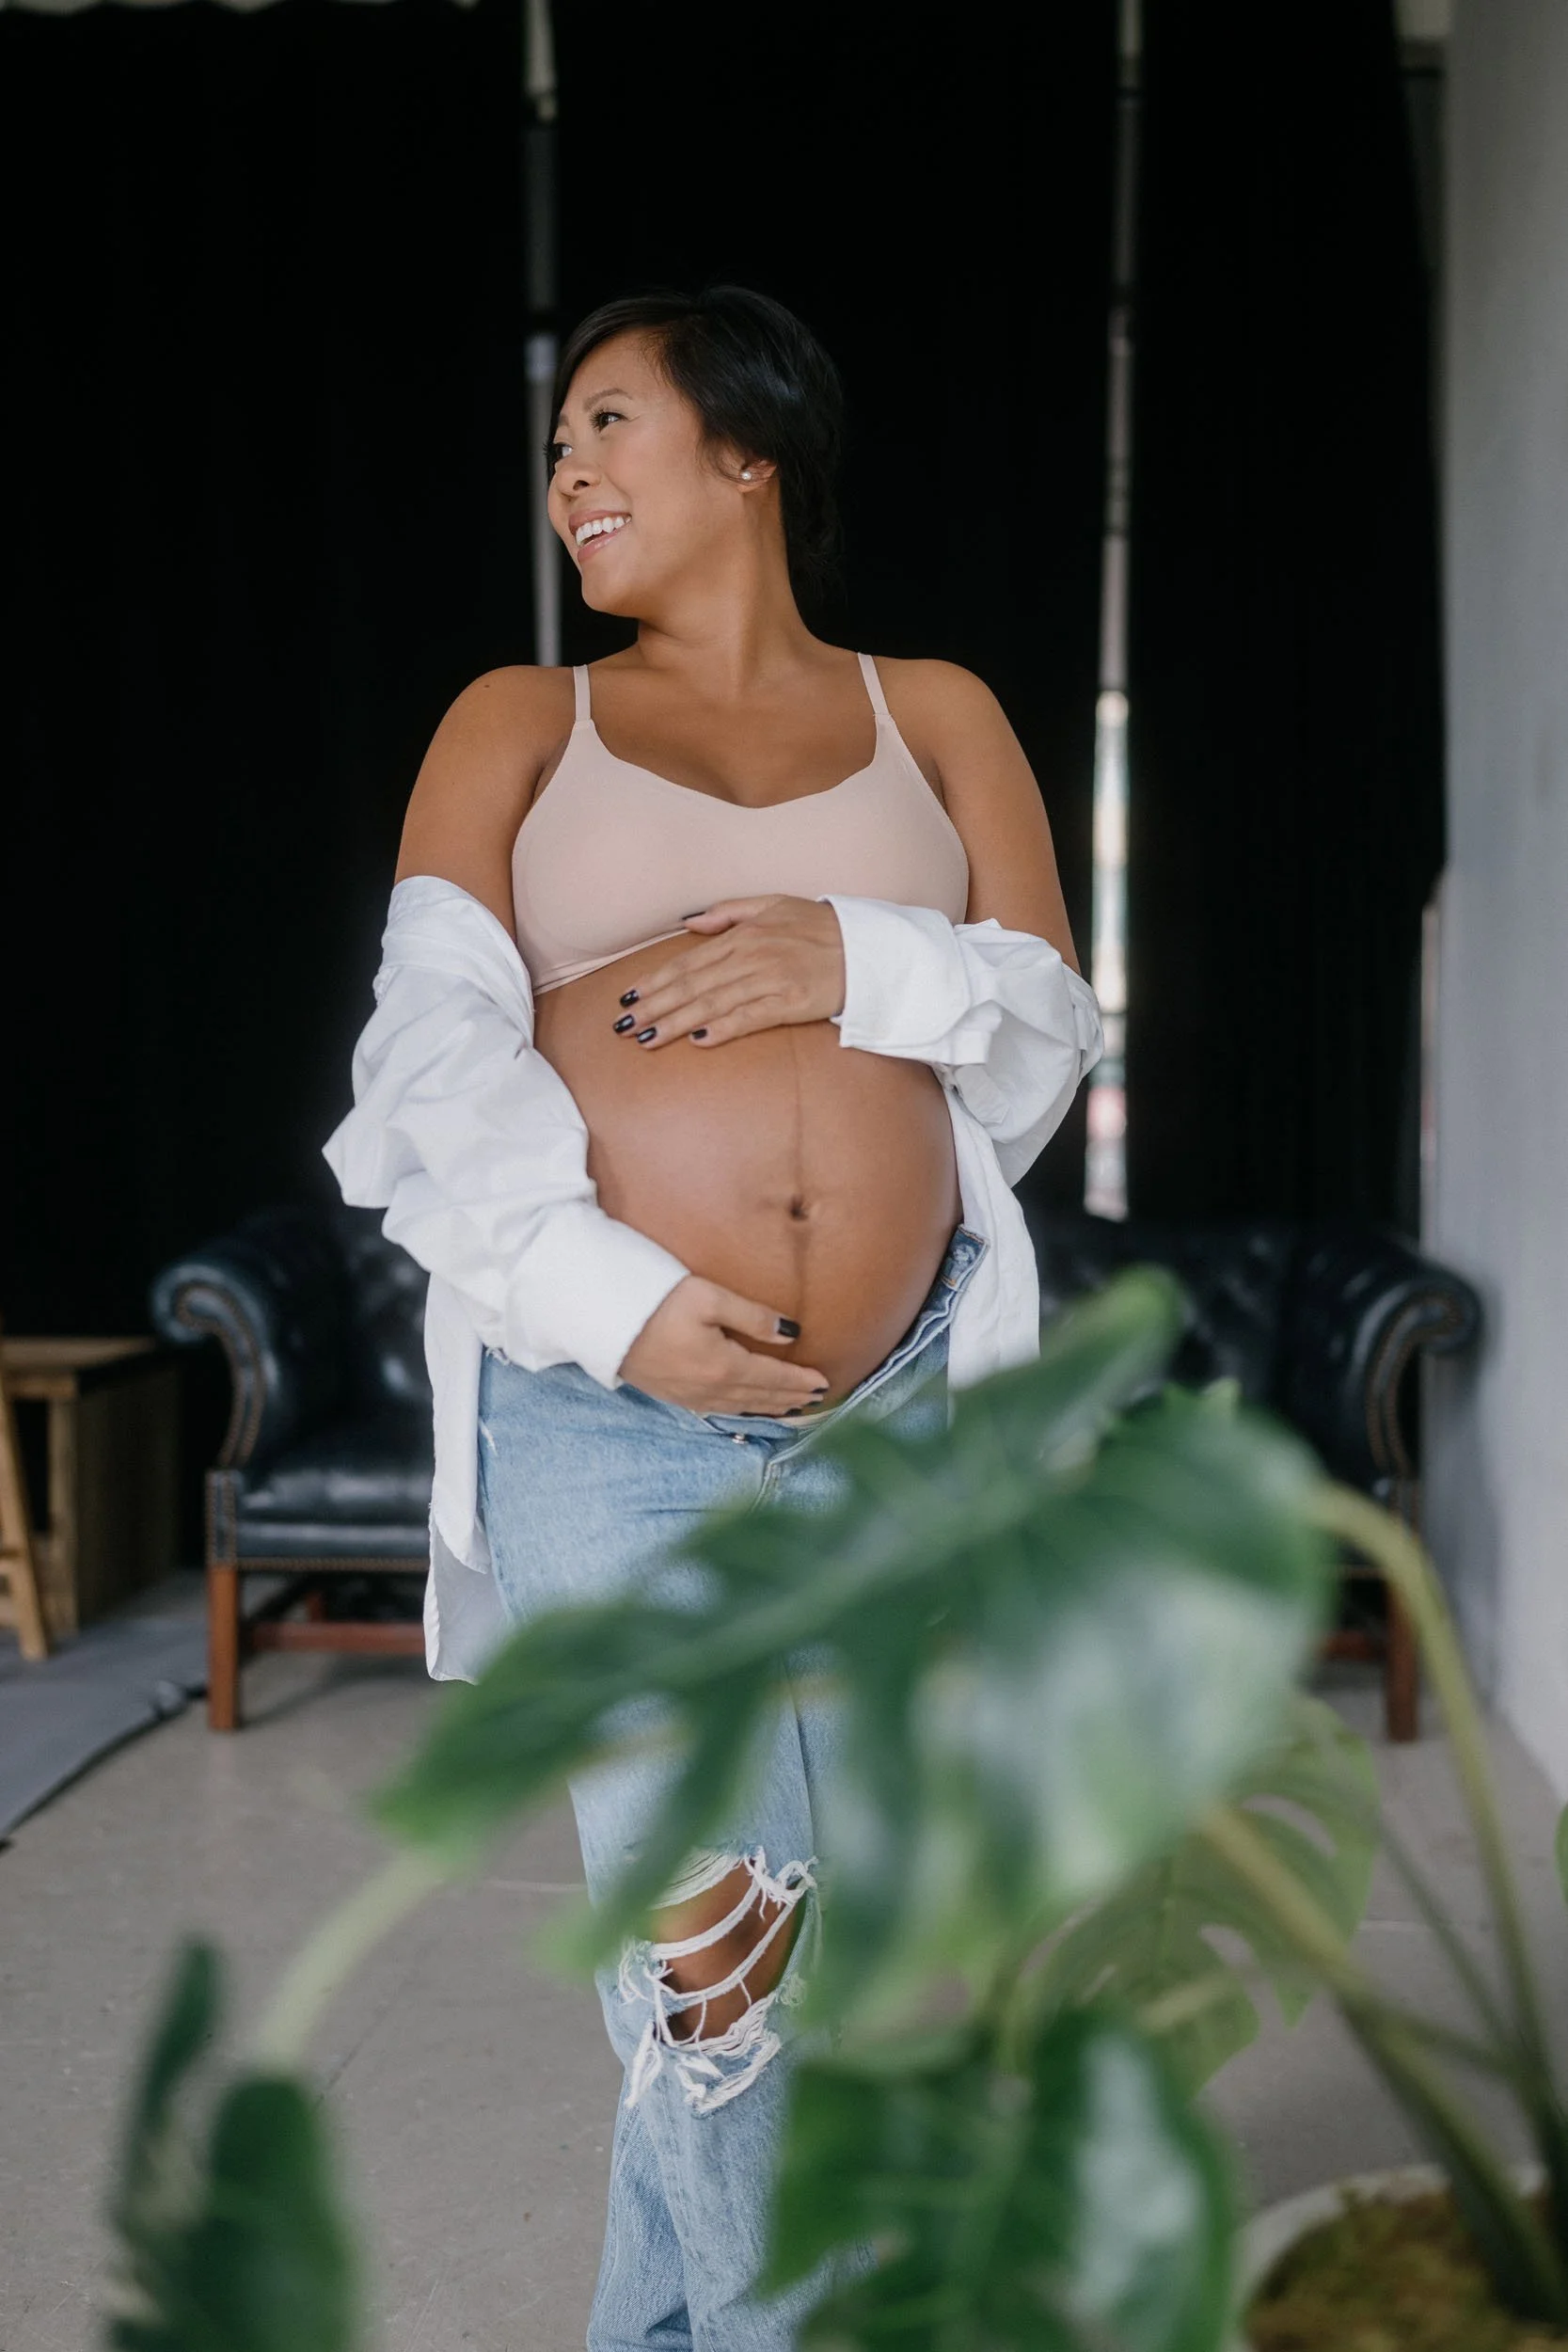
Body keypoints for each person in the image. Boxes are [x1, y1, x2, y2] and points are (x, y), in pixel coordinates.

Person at [325, 285, 1101, 2352]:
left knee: (812, 1946)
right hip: (606, 1412)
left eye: (608, 422)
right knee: (720, 1943)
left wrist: (855, 957)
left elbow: (1043, 1032)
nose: (566, 470)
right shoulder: (520, 719)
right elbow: (425, 1061)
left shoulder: (936, 712)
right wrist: (618, 1304)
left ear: (749, 449)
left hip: (892, 1402)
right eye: (556, 443)